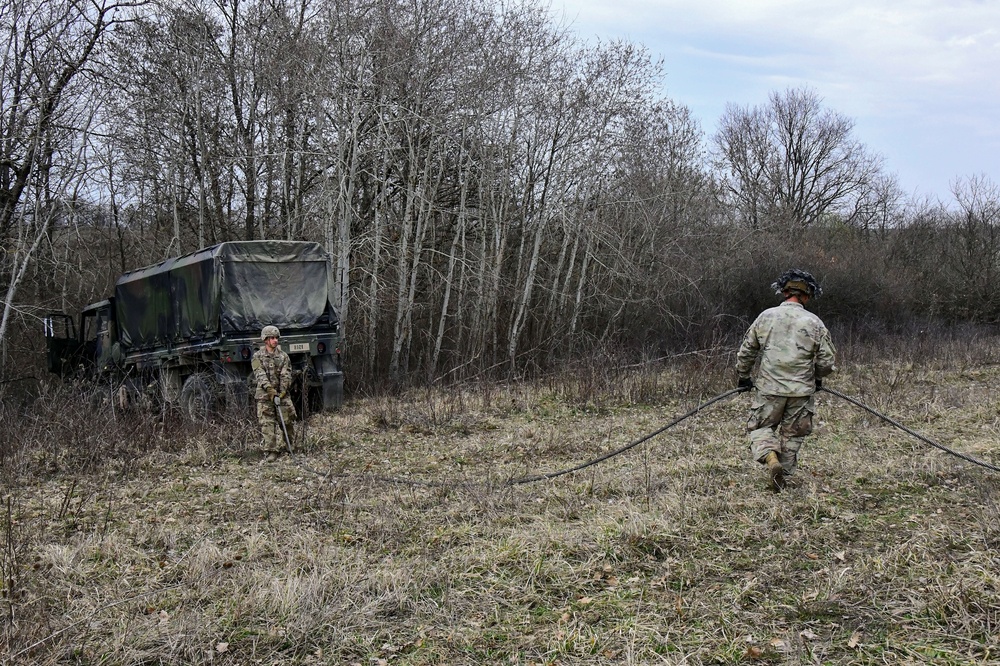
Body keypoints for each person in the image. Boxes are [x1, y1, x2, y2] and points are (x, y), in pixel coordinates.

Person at [735, 270, 836, 490]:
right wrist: (818, 378)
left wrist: (743, 376)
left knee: (760, 427)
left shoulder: (766, 317)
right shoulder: (815, 322)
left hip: (769, 389)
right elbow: (827, 361)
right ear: (807, 296)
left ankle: (771, 458)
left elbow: (747, 351)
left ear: (783, 292)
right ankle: (783, 477)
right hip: (801, 391)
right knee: (793, 435)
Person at [252, 325, 296, 461]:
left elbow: (286, 375)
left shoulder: (284, 357)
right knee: (267, 423)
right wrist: (270, 391)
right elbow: (259, 374)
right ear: (265, 340)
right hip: (264, 396)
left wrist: (281, 393)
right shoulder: (257, 357)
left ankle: (290, 447)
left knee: (287, 421)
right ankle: (271, 451)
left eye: (277, 338)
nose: (275, 340)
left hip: (282, 395)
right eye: (272, 338)